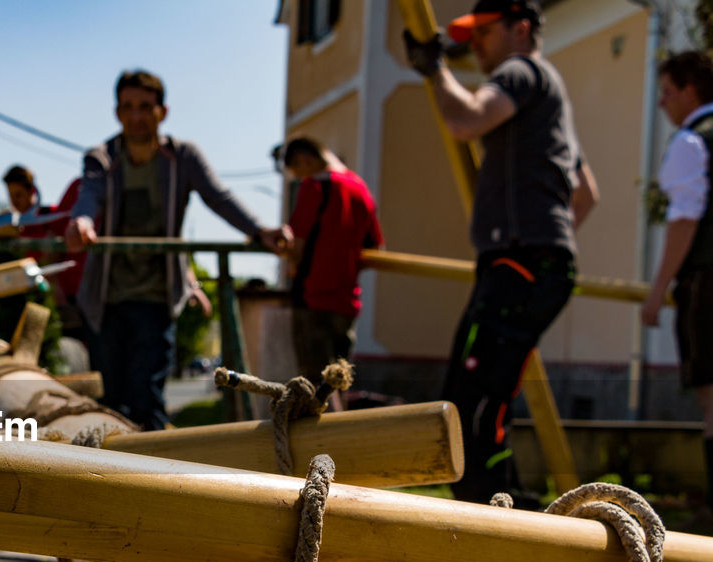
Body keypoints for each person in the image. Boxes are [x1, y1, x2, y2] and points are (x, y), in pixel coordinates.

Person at [403, 0, 598, 503]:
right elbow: (587, 195)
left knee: (473, 396)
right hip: (537, 262)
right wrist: (550, 240)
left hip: (521, 260)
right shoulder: (554, 102)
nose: (476, 44)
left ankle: (489, 508)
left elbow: (465, 120)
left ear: (521, 29)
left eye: (485, 32)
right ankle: (500, 503)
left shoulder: (522, 71)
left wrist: (436, 69)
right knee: (488, 391)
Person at [64, 69, 291, 430]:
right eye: (128, 107)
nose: (136, 116)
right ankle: (103, 477)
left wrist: (259, 230)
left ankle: (149, 480)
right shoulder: (103, 157)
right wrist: (84, 222)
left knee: (146, 395)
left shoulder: (182, 157)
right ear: (117, 112)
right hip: (106, 299)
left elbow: (219, 197)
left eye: (145, 107)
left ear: (162, 112)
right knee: (111, 398)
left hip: (156, 297)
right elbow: (88, 195)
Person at [641, 51, 713, 527]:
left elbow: (685, 219)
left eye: (667, 91)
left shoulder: (691, 141)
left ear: (690, 90)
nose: (663, 102)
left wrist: (657, 290)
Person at [279, 136, 384, 410]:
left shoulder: (314, 186)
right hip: (347, 302)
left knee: (314, 386)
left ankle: (325, 450)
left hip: (313, 300)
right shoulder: (360, 188)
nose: (300, 178)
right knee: (339, 382)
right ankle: (341, 443)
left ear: (305, 160)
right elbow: (374, 248)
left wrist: (290, 260)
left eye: (297, 172)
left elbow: (296, 243)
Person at [1, 164, 87, 334]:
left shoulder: (51, 218)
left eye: (18, 194)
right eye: (11, 196)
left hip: (63, 302)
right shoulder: (13, 230)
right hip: (29, 301)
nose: (15, 201)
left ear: (32, 191)